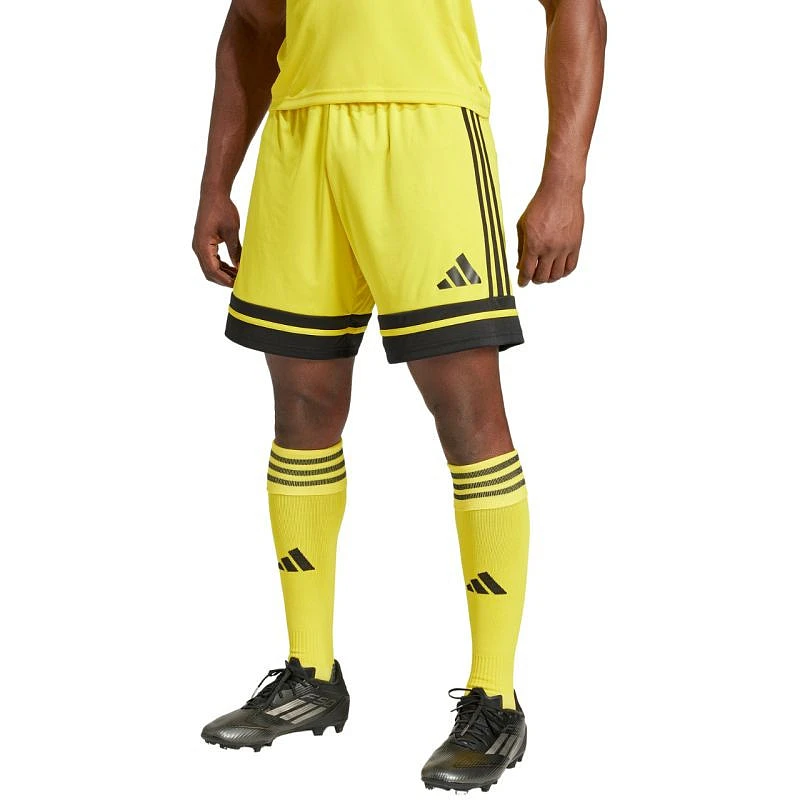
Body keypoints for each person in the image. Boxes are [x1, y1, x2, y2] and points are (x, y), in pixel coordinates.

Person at [192, 0, 605, 791]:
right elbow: (251, 23)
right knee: (302, 410)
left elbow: (575, 9)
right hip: (300, 137)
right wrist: (217, 182)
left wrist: (565, 180)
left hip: (427, 134)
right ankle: (312, 675)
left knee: (467, 414)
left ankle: (495, 698)